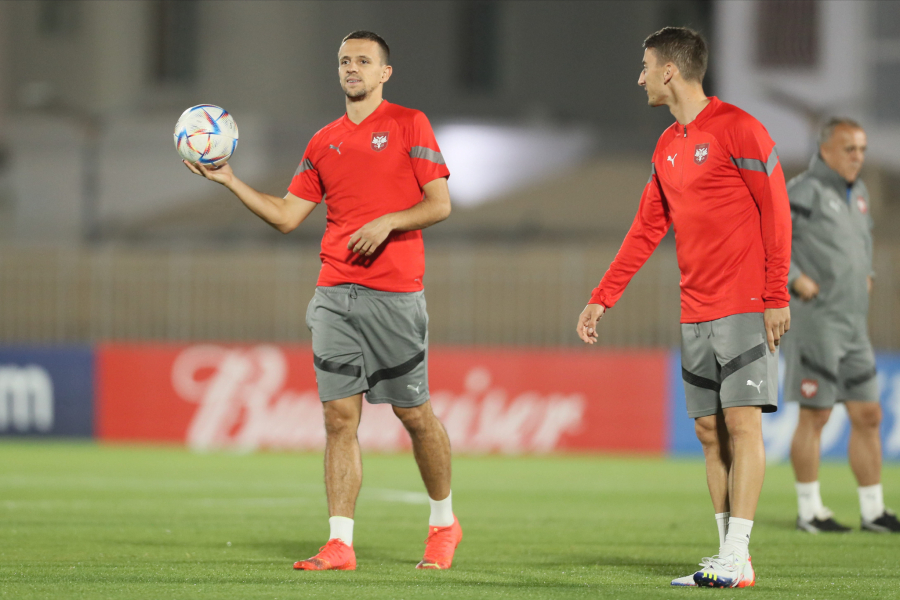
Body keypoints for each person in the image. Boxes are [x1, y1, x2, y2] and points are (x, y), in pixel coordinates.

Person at [183, 30, 462, 570]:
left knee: (414, 415)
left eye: (363, 61)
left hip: (395, 295)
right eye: (344, 61)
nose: (352, 68)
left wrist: (388, 222)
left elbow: (440, 203)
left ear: (385, 72)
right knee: (338, 418)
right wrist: (231, 180)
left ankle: (443, 523)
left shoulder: (410, 124)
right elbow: (288, 216)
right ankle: (340, 543)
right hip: (334, 293)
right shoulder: (322, 142)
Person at [576, 27, 791, 588]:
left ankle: (736, 554)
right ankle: (731, 557)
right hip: (694, 310)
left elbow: (777, 210)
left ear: (669, 70)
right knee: (708, 432)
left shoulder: (740, 127)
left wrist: (776, 294)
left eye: (646, 66)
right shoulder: (667, 145)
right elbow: (646, 228)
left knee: (742, 425)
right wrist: (603, 295)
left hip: (743, 304)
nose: (640, 77)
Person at [784, 118, 900, 534]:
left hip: (853, 325)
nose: (858, 157)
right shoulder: (802, 190)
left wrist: (867, 272)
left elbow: (861, 241)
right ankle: (809, 511)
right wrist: (794, 277)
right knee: (815, 415)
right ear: (826, 150)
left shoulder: (860, 192)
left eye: (862, 149)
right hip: (816, 321)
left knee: (868, 413)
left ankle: (873, 511)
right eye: (849, 148)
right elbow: (769, 239)